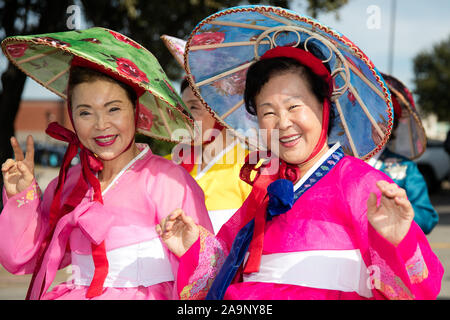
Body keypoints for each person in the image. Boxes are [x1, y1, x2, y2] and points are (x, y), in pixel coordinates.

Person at [156, 5, 444, 300]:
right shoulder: (263, 191)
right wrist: (192, 246)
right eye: (268, 111)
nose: (283, 124)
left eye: (294, 106)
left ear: (324, 106)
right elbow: (224, 269)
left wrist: (399, 240)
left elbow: (418, 291)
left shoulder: (362, 185)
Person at [0, 28, 218, 300]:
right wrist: (21, 196)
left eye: (113, 108)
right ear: (71, 116)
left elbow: (211, 273)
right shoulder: (68, 184)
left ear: (136, 111)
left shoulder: (169, 181)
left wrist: (190, 249)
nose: (101, 125)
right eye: (85, 112)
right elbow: (22, 258)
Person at [162, 35, 252, 234]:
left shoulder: (252, 169)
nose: (185, 117)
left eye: (194, 108)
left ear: (221, 113)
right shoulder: (165, 167)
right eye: (182, 109)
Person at [367, 73, 438, 235]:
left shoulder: (405, 167)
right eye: (370, 117)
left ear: (393, 127)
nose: (376, 125)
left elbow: (428, 217)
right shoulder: (341, 161)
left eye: (385, 120)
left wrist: (401, 212)